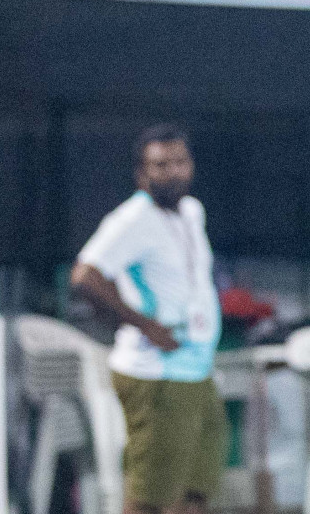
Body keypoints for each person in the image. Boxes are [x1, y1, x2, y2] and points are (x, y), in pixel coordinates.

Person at [72, 125, 227, 514]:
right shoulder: (131, 219)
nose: (173, 172)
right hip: (156, 374)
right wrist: (142, 324)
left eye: (180, 162)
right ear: (141, 173)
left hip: (196, 368)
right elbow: (85, 276)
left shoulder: (192, 212)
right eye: (160, 165)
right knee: (150, 496)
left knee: (197, 486)